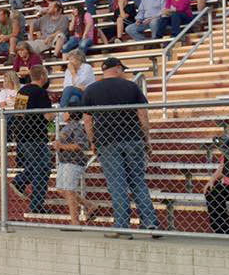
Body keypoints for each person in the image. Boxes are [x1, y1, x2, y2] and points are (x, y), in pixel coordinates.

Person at [81, 57, 160, 237]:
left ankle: (122, 226)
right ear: (116, 68)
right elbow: (142, 114)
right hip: (133, 139)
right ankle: (150, 223)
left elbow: (87, 119)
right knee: (137, 181)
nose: (123, 72)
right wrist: (146, 138)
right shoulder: (131, 86)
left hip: (107, 141)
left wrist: (93, 140)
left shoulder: (92, 89)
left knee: (117, 184)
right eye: (121, 69)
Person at [9, 65, 52, 214]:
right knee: (42, 169)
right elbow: (48, 116)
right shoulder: (41, 92)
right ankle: (35, 203)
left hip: (22, 135)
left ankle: (21, 182)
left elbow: (18, 113)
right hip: (36, 136)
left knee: (39, 167)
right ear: (43, 76)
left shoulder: (22, 91)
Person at [53, 107, 95, 226]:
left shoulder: (76, 127)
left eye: (65, 111)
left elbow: (81, 145)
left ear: (70, 114)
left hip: (73, 161)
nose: (63, 113)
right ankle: (89, 205)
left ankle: (75, 222)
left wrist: (61, 146)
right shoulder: (67, 126)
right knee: (61, 189)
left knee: (69, 191)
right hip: (64, 161)